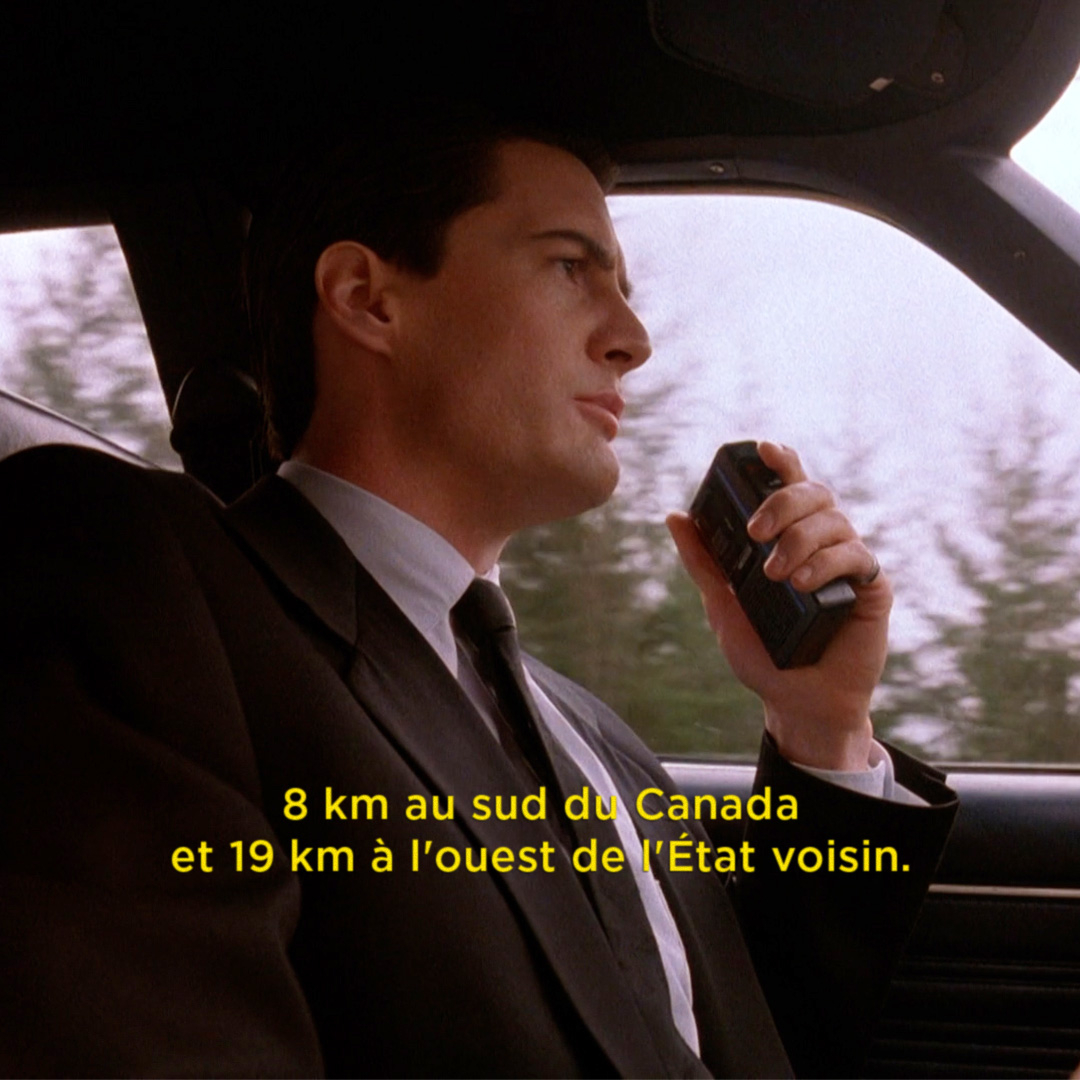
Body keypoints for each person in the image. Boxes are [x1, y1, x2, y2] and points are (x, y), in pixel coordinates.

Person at [0, 110, 956, 1078]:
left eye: (623, 289)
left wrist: (822, 727)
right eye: (569, 267)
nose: (632, 340)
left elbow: (746, 1045)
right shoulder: (146, 587)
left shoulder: (597, 741)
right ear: (368, 299)